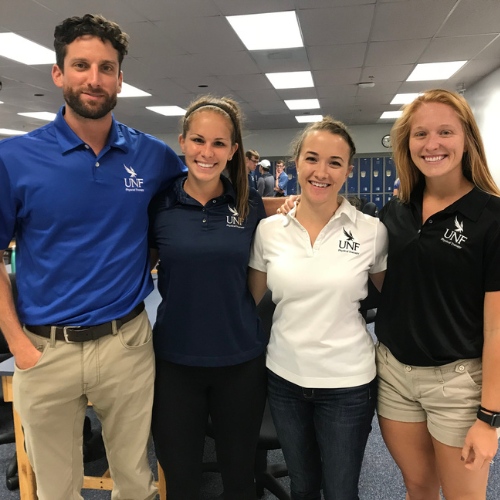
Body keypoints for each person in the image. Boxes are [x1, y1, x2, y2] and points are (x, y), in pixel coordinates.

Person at [0, 14, 185, 500]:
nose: (94, 78)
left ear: (121, 77)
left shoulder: (152, 157)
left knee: (136, 482)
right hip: (45, 350)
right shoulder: (15, 159)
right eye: (81, 65)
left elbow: (202, 197)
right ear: (58, 73)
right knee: (55, 491)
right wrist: (16, 342)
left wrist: (295, 203)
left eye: (107, 67)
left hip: (125, 342)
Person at [248, 117, 388, 500]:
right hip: (285, 380)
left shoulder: (371, 231)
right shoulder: (269, 232)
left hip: (348, 385)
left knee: (341, 491)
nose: (321, 171)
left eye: (334, 162)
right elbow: (250, 302)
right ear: (296, 162)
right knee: (303, 486)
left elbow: (394, 302)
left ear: (349, 170)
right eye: (312, 158)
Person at [375, 89, 500, 500]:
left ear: (467, 138)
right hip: (394, 374)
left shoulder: (491, 216)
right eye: (420, 134)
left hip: (458, 383)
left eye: (445, 131)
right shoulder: (397, 210)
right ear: (406, 143)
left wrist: (490, 417)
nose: (432, 144)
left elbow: (497, 326)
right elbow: (387, 283)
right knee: (419, 487)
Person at [149, 95, 268, 500]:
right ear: (182, 142)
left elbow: (257, 277)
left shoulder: (248, 205)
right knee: (181, 480)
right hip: (175, 363)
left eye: (219, 143)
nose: (207, 152)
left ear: (233, 150)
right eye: (198, 140)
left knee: (239, 478)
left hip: (239, 361)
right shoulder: (160, 203)